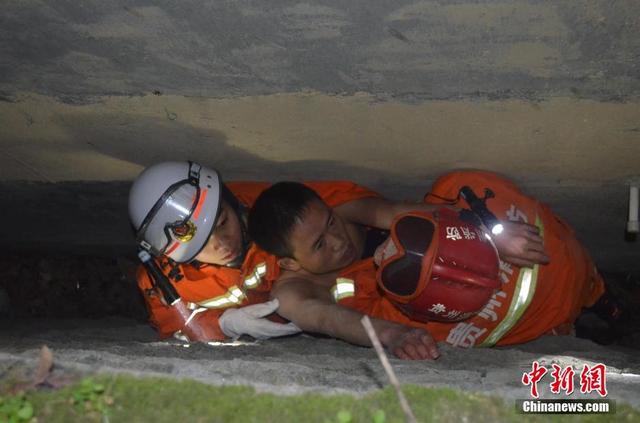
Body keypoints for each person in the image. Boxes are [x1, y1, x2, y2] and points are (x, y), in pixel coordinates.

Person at [248, 170, 605, 357]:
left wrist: (488, 232)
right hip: (432, 309)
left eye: (330, 222)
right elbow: (329, 319)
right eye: (320, 244)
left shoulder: (345, 211)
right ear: (290, 263)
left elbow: (404, 213)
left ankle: (601, 297)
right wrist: (395, 336)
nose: (339, 240)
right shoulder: (294, 291)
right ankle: (575, 326)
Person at [129, 160, 394, 342]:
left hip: (366, 256)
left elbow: (335, 205)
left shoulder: (262, 205)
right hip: (340, 297)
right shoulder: (165, 281)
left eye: (223, 222)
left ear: (229, 200)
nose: (222, 243)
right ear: (174, 254)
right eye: (201, 245)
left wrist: (390, 232)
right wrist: (223, 324)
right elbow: (171, 321)